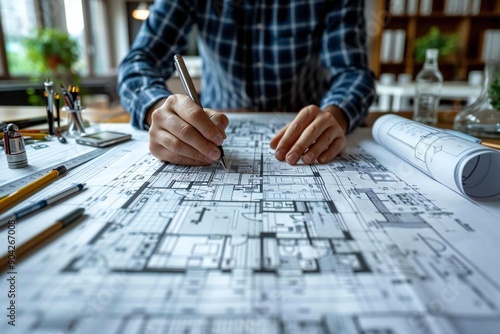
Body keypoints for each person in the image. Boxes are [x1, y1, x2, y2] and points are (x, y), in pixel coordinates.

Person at [118, 0, 376, 166]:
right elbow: (138, 62)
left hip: (306, 129)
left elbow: (353, 72)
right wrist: (157, 108)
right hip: (212, 125)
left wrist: (337, 113)